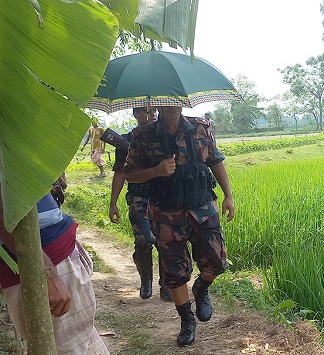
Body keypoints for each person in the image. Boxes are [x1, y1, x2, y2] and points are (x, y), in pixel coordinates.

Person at [123, 106, 235, 347]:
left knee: (216, 261)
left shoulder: (200, 128)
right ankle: (187, 320)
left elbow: (215, 161)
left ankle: (202, 288)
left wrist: (229, 196)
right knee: (175, 272)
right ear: (158, 104)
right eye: (167, 100)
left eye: (176, 99)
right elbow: (130, 175)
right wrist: (156, 171)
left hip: (203, 208)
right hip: (166, 212)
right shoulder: (143, 135)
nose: (172, 104)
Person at [0, 188, 109, 354]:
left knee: (80, 341)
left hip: (53, 255)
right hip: (42, 260)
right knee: (66, 348)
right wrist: (47, 275)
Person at [109, 107, 171, 301]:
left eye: (154, 111)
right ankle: (145, 278)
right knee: (145, 239)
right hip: (139, 196)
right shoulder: (127, 141)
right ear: (135, 115)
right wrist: (113, 203)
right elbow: (120, 173)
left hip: (163, 196)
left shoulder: (166, 138)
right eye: (145, 111)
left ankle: (166, 285)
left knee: (165, 241)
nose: (151, 115)